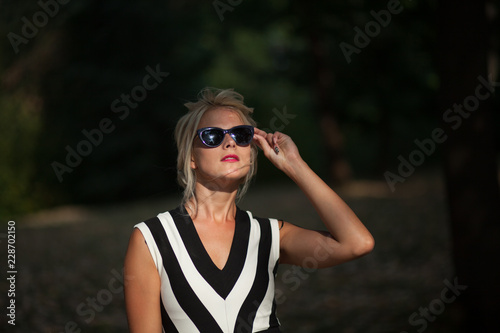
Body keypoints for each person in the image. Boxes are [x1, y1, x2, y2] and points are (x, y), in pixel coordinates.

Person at [124, 87, 374, 333]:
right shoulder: (151, 239)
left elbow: (357, 243)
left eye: (241, 135)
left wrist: (295, 166)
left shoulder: (270, 234)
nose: (230, 142)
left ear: (251, 154)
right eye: (213, 135)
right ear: (191, 157)